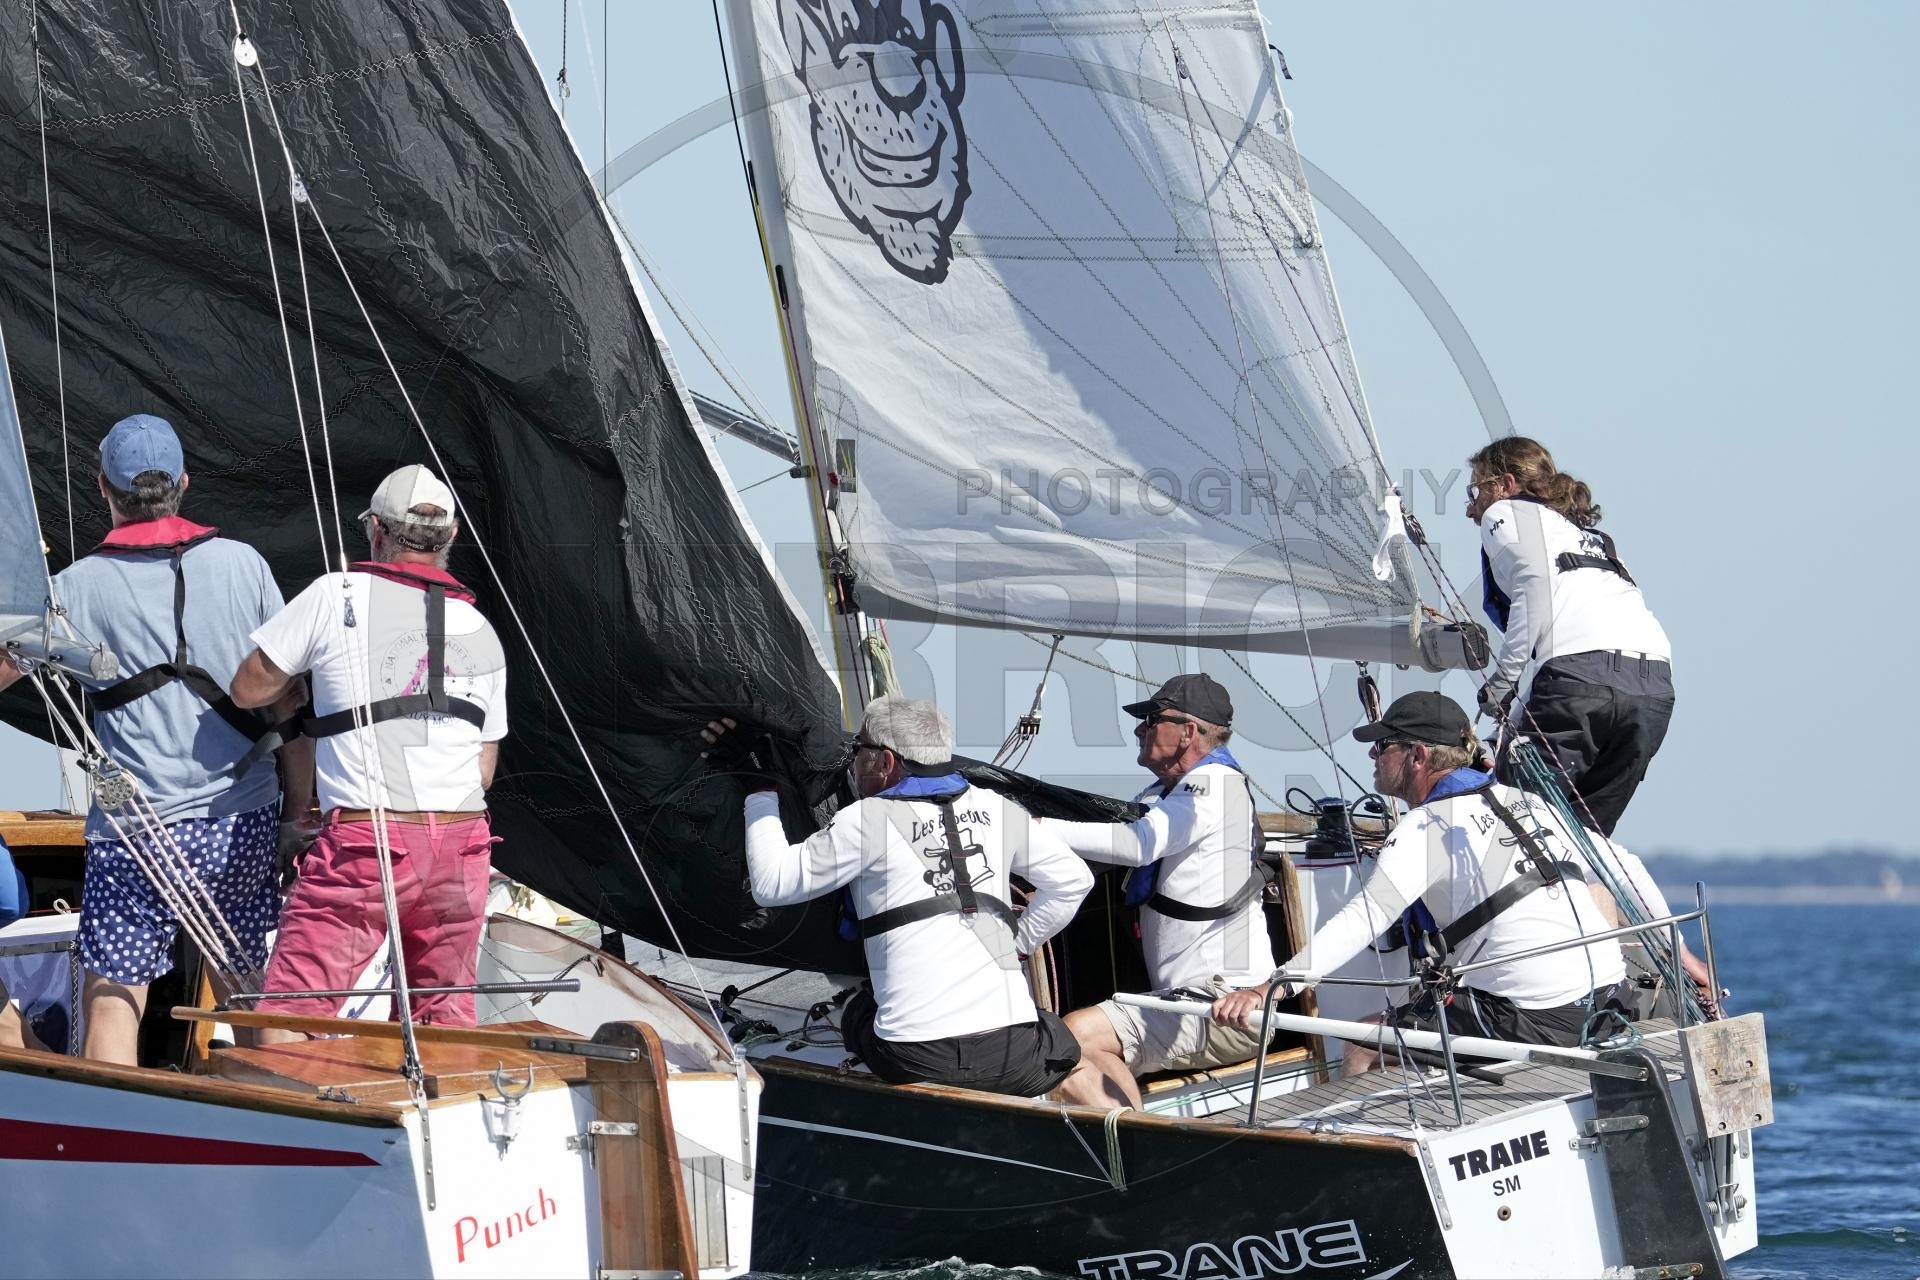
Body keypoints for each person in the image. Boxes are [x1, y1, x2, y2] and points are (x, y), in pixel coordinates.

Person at [0, 415, 304, 1065]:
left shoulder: (74, 589)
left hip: (136, 832)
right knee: (250, 987)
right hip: (241, 821)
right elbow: (290, 702)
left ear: (103, 489)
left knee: (114, 998)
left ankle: (110, 1128)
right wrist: (299, 812)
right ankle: (294, 1108)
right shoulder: (244, 565)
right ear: (184, 483)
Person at [1213, 691, 1628, 1074]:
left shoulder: (1426, 829)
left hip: (1537, 1019)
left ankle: (1366, 1134)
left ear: (1418, 756)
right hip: (1610, 1002)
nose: (1372, 755)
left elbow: (1363, 919)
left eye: (1383, 746)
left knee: (1362, 1045)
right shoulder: (1530, 803)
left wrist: (1273, 987)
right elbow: (1621, 870)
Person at [230, 464, 507, 1031]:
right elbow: (483, 770)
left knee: (292, 1019)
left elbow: (248, 688)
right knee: (444, 1021)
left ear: (376, 530)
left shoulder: (335, 596)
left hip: (368, 845)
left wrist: (309, 684)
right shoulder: (481, 628)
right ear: (451, 537)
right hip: (462, 846)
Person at [740, 695, 1091, 1095]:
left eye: (858, 748)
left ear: (885, 762)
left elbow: (771, 884)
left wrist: (760, 790)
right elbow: (1074, 880)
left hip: (914, 1057)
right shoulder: (999, 808)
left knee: (854, 1006)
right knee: (1068, 1043)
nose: (853, 760)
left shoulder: (865, 819)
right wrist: (1019, 946)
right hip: (1010, 1060)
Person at [1046, 674, 1276, 1109]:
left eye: (1152, 720)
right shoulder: (1168, 794)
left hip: (1226, 1009)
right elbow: (1122, 835)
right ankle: (1130, 1127)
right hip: (1190, 1004)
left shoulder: (1212, 785)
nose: (1139, 729)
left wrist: (1031, 829)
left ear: (1188, 731)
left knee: (1072, 1034)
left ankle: (1132, 1144)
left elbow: (1139, 844)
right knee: (1081, 1047)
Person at [1466, 436, 1673, 836]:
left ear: (1506, 484)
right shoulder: (1590, 537)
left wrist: (1503, 681)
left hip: (1580, 681)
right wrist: (1505, 728)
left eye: (1476, 492)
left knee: (1515, 830)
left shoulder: (1505, 512)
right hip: (1653, 690)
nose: (1471, 509)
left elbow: (1534, 586)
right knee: (1583, 838)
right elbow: (1570, 646)